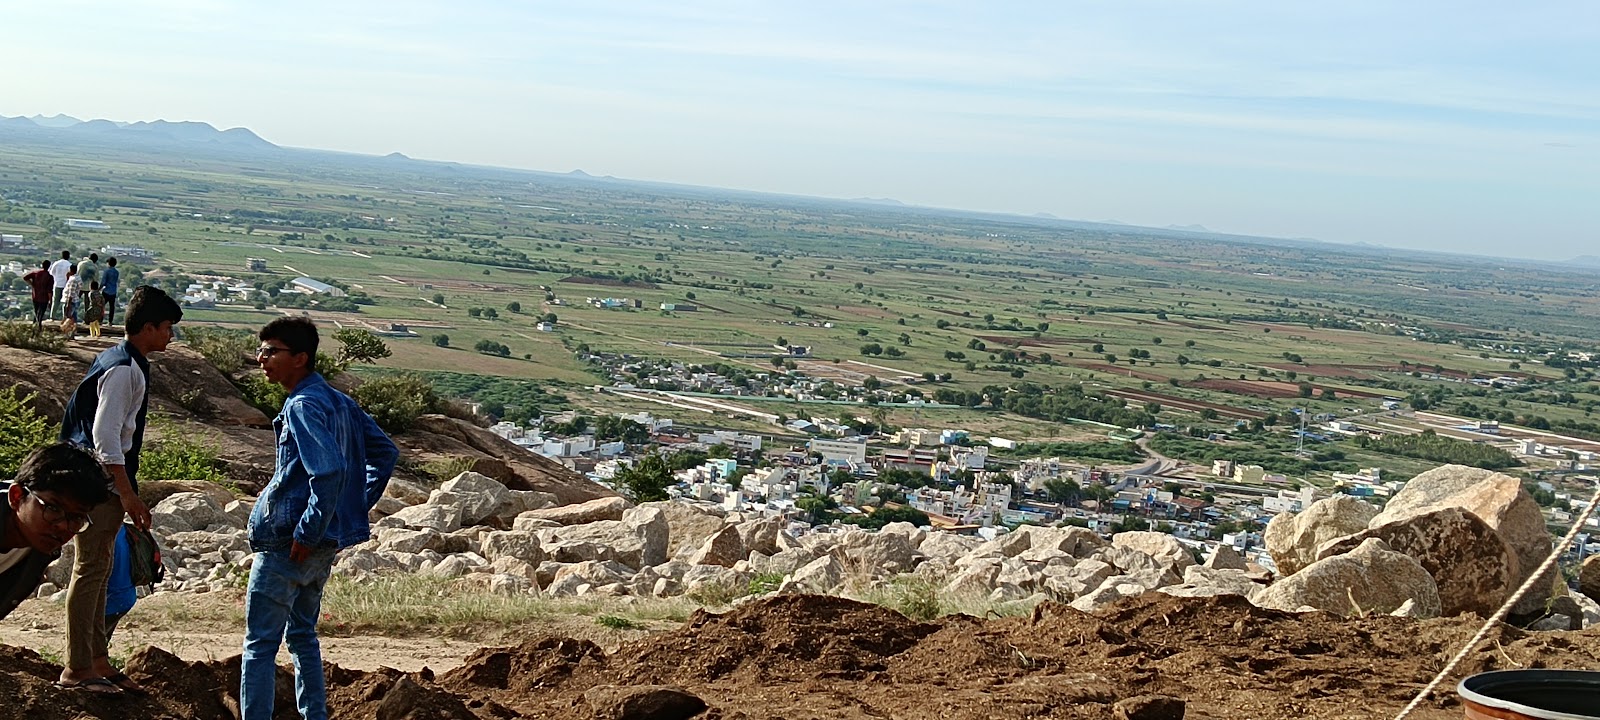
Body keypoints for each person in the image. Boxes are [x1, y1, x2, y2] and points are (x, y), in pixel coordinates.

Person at [241, 317, 397, 720]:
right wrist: (348, 509)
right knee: (302, 636)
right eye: (261, 350)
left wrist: (310, 528)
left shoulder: (303, 405)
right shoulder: (339, 401)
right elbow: (385, 454)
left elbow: (327, 472)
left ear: (300, 358)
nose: (262, 359)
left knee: (260, 644)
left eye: (271, 351)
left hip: (288, 541)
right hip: (322, 540)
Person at [57, 286, 182, 695]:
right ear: (148, 328)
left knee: (100, 570)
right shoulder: (125, 369)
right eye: (166, 328)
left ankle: (97, 660)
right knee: (90, 570)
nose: (170, 335)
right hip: (99, 484)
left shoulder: (119, 359)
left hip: (97, 481)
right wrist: (127, 494)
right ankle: (77, 668)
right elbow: (106, 438)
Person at [1, 444, 110, 625]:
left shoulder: (39, 547)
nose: (63, 526)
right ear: (16, 496)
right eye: (53, 508)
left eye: (76, 517)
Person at [24, 260, 54, 333]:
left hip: (35, 296)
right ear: (49, 266)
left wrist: (32, 284)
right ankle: (38, 328)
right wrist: (50, 301)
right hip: (44, 298)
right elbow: (49, 291)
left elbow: (25, 278)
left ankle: (34, 328)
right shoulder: (49, 277)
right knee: (40, 314)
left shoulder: (36, 273)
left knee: (36, 312)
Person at [49, 250, 72, 321]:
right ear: (68, 256)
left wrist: (56, 277)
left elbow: (51, 273)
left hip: (57, 284)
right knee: (65, 302)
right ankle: (64, 317)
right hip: (65, 285)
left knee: (55, 301)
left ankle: (52, 316)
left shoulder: (56, 263)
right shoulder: (69, 265)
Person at [59, 265, 81, 341]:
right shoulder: (78, 278)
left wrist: (68, 304)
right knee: (73, 319)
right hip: (75, 300)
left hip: (70, 301)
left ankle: (67, 334)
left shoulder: (73, 280)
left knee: (67, 319)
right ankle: (72, 334)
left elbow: (71, 293)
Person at [100, 257, 120, 326]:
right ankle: (110, 321)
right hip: (113, 291)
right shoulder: (116, 272)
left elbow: (103, 282)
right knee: (112, 307)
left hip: (106, 291)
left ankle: (100, 320)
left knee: (101, 306)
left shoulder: (107, 271)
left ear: (108, 263)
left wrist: (99, 289)